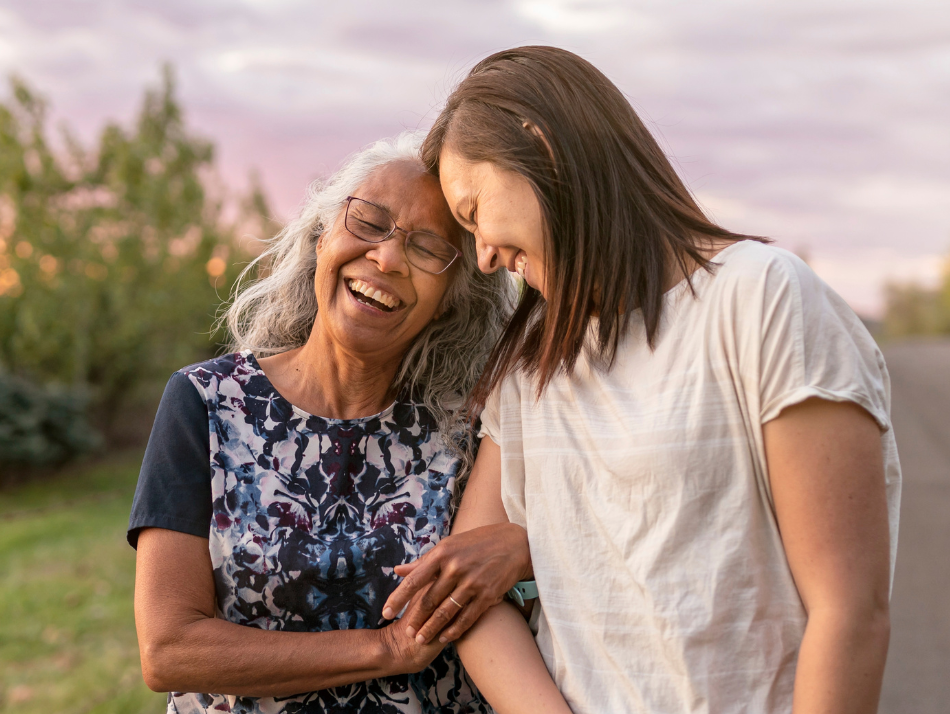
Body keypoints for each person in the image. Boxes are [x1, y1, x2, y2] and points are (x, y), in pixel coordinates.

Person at [385, 46, 902, 714]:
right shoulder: (532, 364)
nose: (483, 255)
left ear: (541, 147)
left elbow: (849, 614)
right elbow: (468, 599)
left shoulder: (763, 300)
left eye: (475, 210)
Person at [127, 131, 562, 713]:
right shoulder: (205, 402)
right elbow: (170, 649)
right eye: (368, 222)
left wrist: (522, 547)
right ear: (321, 236)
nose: (386, 258)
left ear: (456, 298)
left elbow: (560, 549)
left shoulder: (473, 427)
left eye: (428, 248)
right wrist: (384, 648)